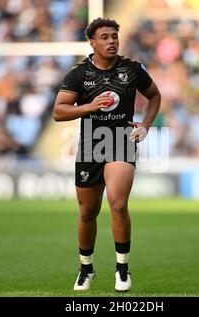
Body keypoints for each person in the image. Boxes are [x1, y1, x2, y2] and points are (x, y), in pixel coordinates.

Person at [53, 18, 161, 292]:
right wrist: (88, 107)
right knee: (88, 212)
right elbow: (59, 111)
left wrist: (145, 125)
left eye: (114, 36)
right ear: (92, 42)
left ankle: (122, 270)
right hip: (91, 144)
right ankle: (86, 268)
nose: (111, 41)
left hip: (121, 140)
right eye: (105, 37)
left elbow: (154, 96)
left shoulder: (132, 69)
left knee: (118, 204)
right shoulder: (79, 74)